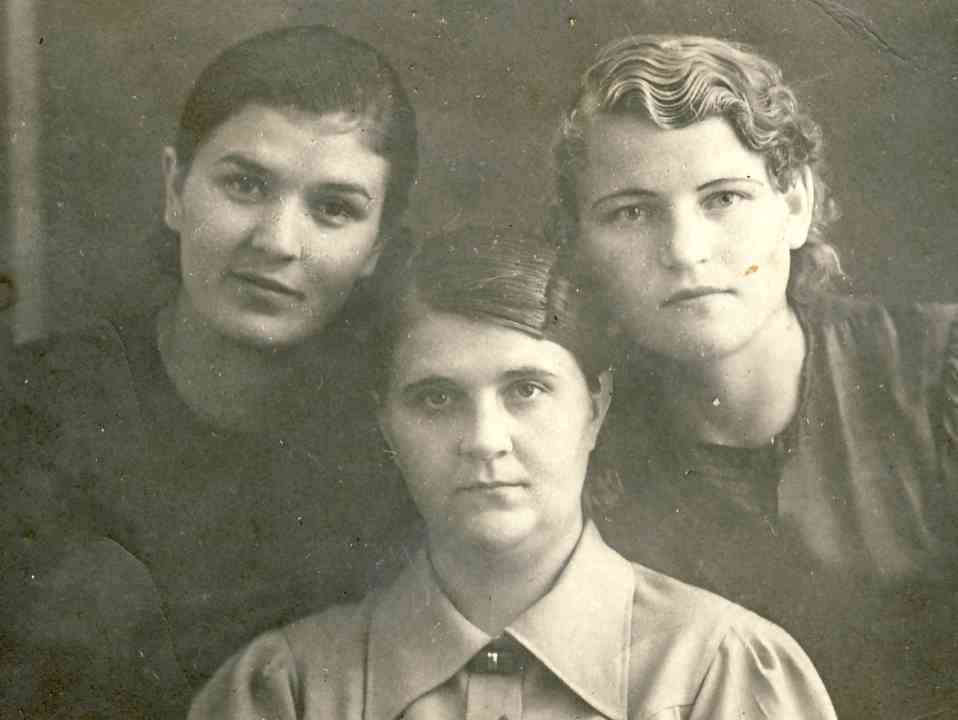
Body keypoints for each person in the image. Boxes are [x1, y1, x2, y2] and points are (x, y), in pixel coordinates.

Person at [188, 225, 837, 720]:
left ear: (596, 406)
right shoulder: (285, 692)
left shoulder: (721, 673)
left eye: (526, 390)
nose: (483, 441)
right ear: (386, 424)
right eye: (436, 399)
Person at [0, 25, 420, 719]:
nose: (277, 242)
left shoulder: (398, 449)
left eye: (334, 209)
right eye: (245, 184)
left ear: (376, 249)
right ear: (175, 189)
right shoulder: (29, 414)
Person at [551, 33, 958, 719]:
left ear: (795, 204)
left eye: (724, 199)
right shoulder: (575, 436)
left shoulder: (937, 370)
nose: (685, 251)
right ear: (580, 244)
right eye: (632, 212)